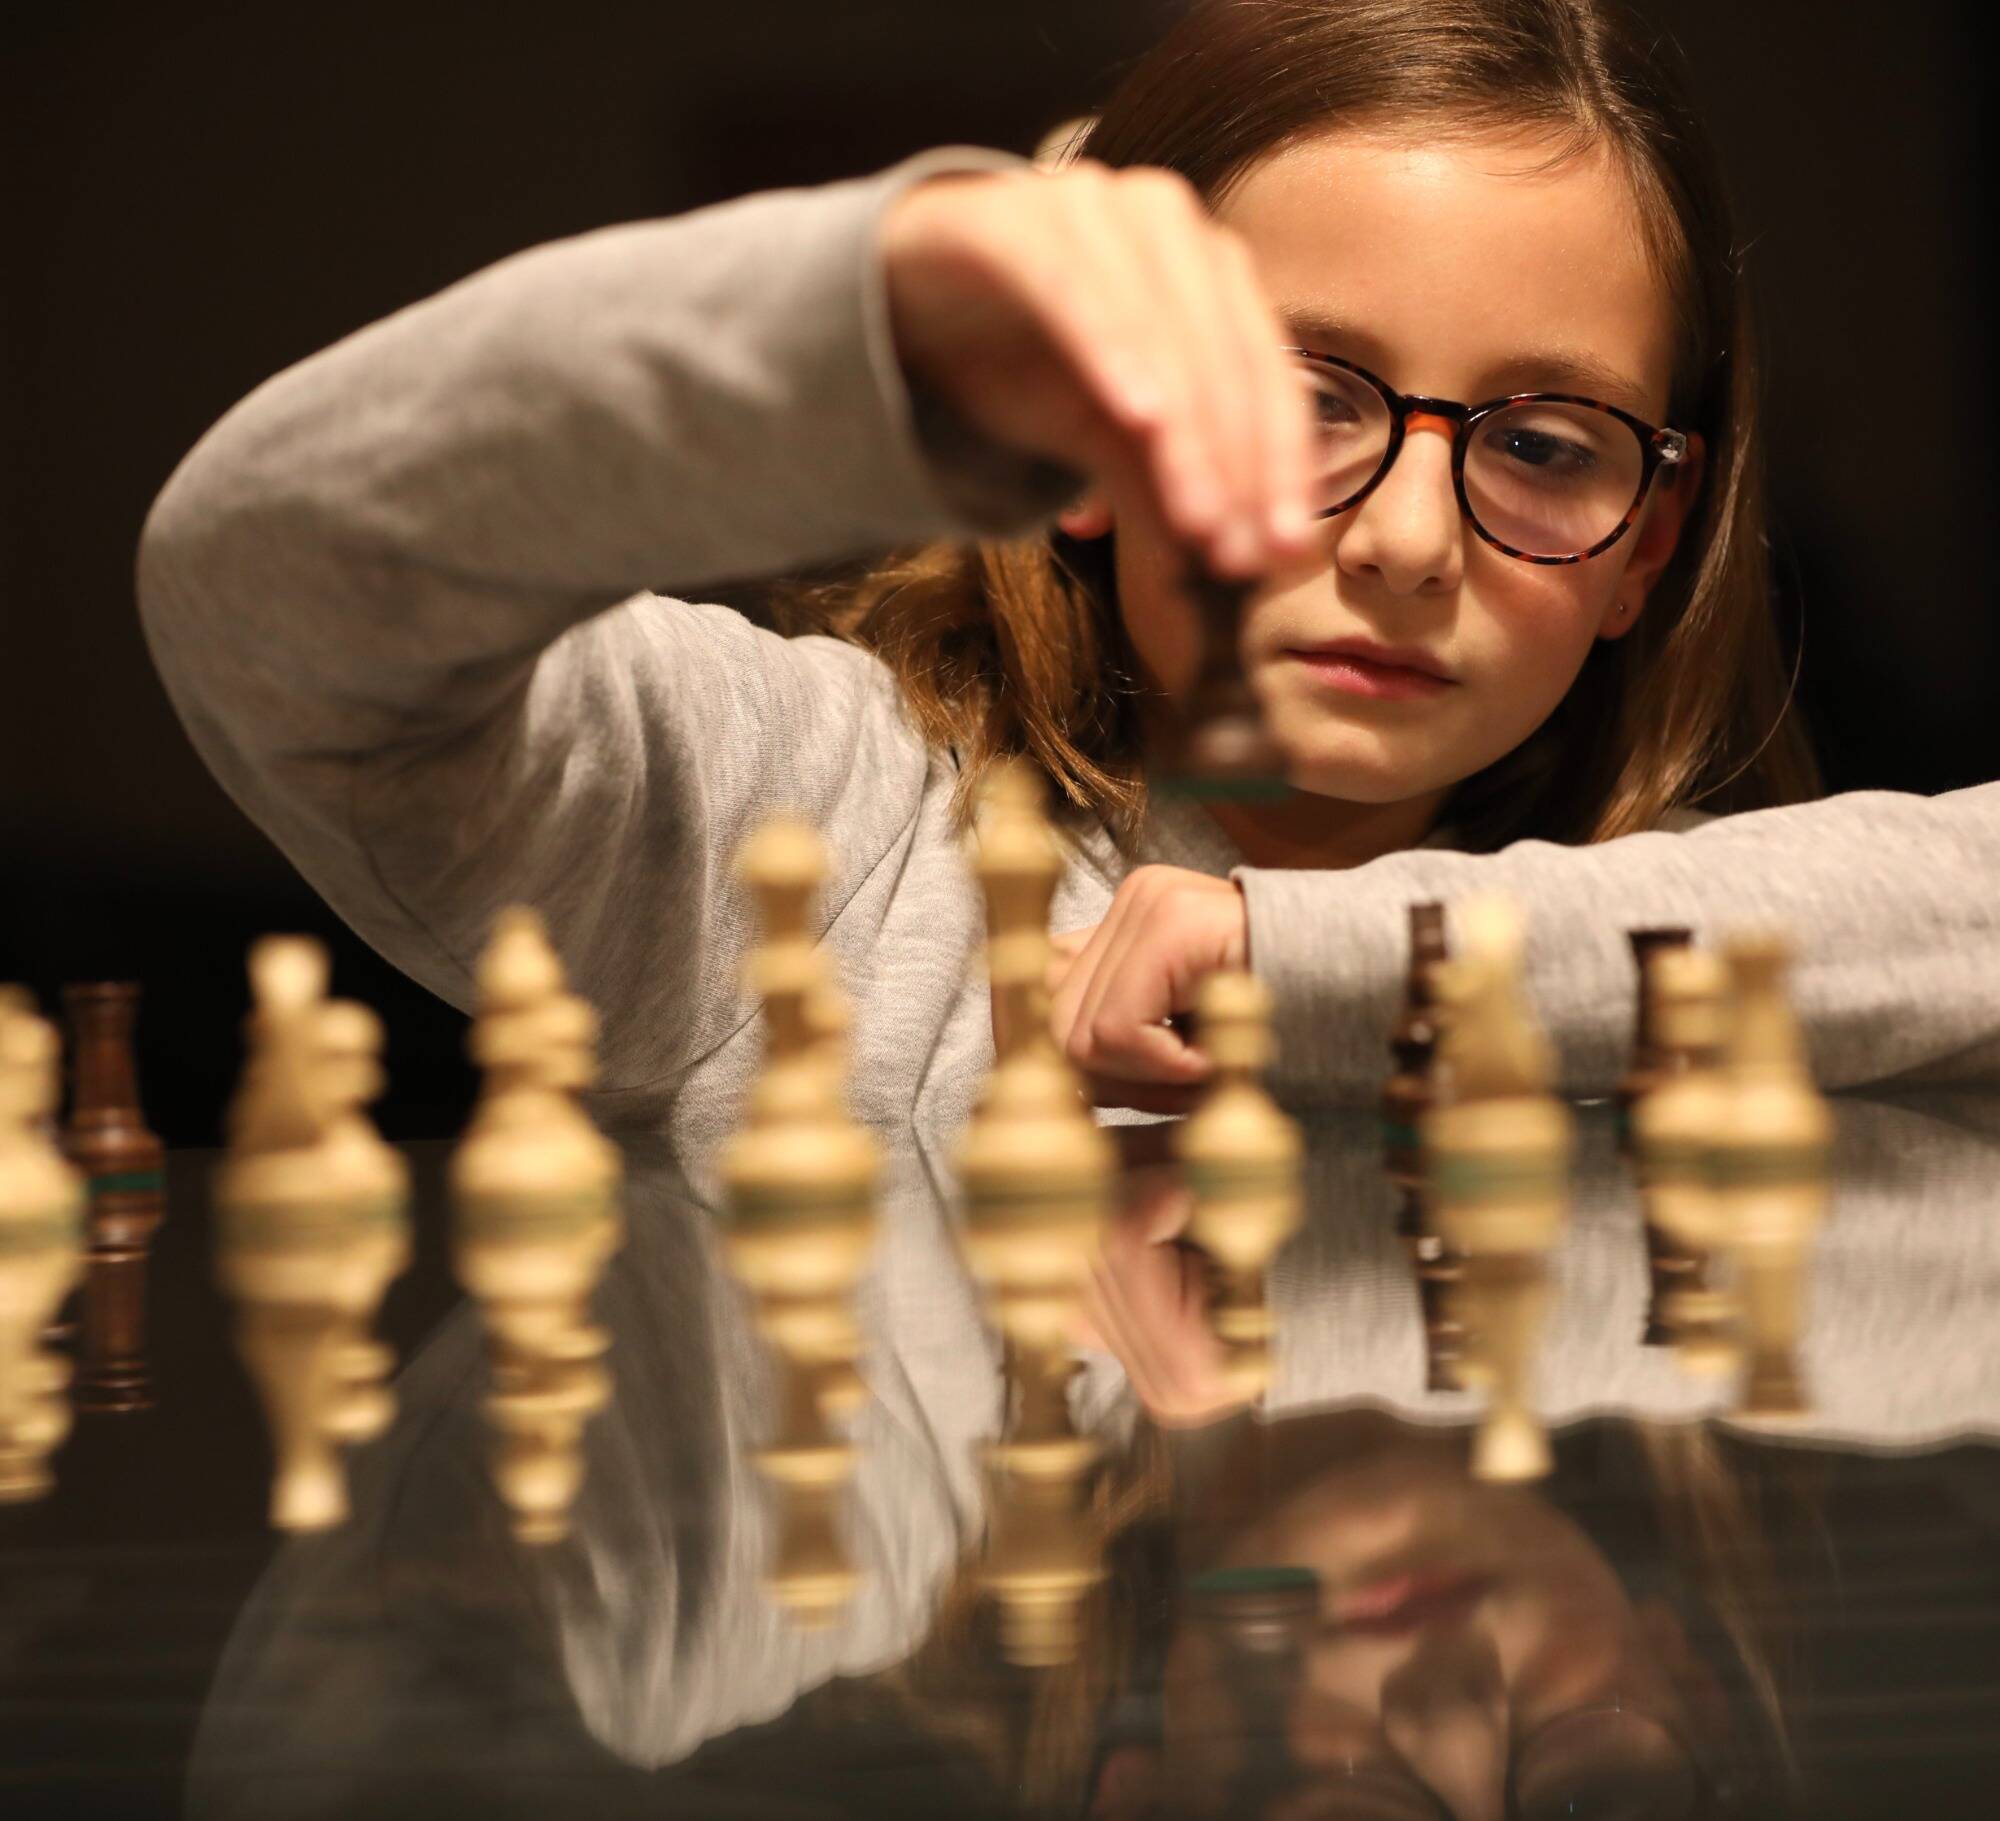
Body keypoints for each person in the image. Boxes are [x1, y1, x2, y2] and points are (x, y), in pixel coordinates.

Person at [137, 0, 1997, 1139]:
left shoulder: (1718, 940)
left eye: (1543, 443)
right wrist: (857, 328)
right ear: (1094, 432)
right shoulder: (807, 838)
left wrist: (1323, 965)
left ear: (1642, 546)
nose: (1411, 541)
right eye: (1302, 399)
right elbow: (272, 588)